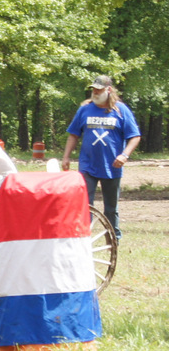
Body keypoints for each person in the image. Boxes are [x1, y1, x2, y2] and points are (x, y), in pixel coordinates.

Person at [61, 76, 141, 240]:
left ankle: (113, 240)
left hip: (112, 166)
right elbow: (74, 135)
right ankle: (84, 239)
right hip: (87, 166)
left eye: (99, 89)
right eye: (94, 89)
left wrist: (124, 155)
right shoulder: (85, 109)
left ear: (109, 90)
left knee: (111, 208)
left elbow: (135, 136)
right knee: (85, 205)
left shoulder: (120, 110)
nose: (95, 92)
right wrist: (66, 156)